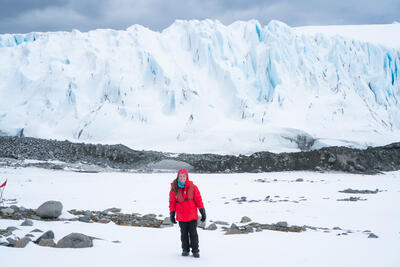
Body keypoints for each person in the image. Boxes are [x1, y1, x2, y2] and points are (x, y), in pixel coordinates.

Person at [169, 168, 206, 258]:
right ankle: (185, 250)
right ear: (178, 177)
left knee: (193, 234)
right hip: (181, 216)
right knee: (184, 234)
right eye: (180, 176)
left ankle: (195, 251)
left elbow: (198, 200)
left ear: (187, 177)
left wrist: (202, 211)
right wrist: (172, 214)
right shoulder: (174, 189)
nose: (182, 178)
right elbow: (172, 202)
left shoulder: (193, 187)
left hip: (192, 215)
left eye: (184, 176)